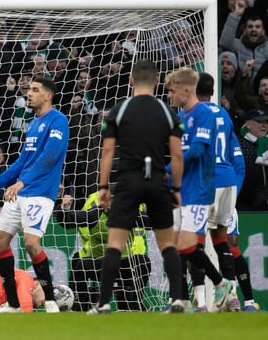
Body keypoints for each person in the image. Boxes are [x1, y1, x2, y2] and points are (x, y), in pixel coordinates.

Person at [87, 59, 186, 314]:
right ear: (156, 81)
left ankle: (104, 303)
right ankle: (177, 300)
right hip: (156, 180)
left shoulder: (117, 111)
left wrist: (103, 186)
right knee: (167, 244)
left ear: (131, 80)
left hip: (128, 181)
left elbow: (107, 151)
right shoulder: (167, 111)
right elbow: (176, 155)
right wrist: (176, 188)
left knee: (115, 244)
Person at [0, 77, 69, 313]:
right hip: (20, 190)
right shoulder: (32, 123)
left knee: (31, 243)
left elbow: (50, 156)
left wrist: (22, 183)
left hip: (40, 192)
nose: (29, 93)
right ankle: (13, 304)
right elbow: (23, 162)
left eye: (35, 90)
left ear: (48, 95)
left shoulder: (58, 121)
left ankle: (49, 300)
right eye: (29, 89)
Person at [165, 67, 237, 312]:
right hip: (184, 188)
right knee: (176, 246)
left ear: (186, 90)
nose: (169, 96)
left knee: (186, 245)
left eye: (172, 91)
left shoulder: (204, 114)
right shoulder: (183, 117)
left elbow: (197, 149)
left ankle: (215, 285)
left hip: (200, 189)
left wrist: (167, 167)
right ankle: (183, 299)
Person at [189, 73, 244, 311]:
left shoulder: (192, 113)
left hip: (208, 180)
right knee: (221, 239)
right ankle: (231, 297)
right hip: (228, 178)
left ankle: (200, 300)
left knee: (194, 241)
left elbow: (193, 151)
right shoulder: (224, 114)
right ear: (213, 91)